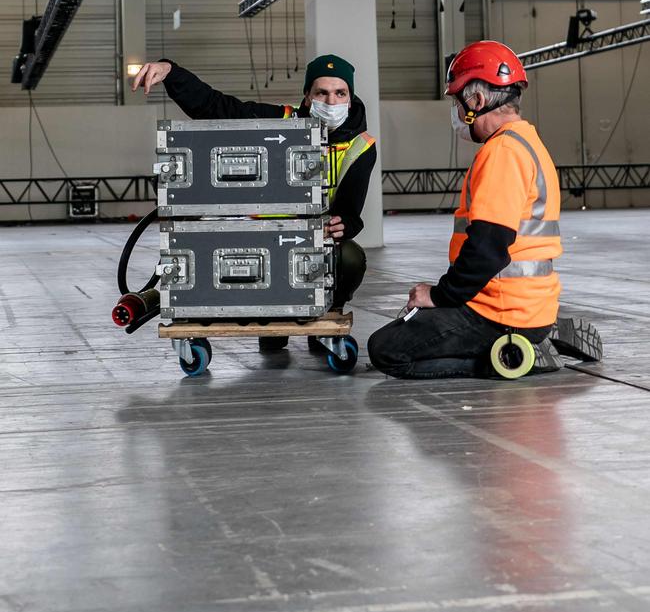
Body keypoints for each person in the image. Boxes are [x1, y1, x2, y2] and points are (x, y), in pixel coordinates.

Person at [367, 40, 602, 379]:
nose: (458, 114)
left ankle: (511, 357)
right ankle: (538, 337)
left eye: (458, 102)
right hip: (529, 307)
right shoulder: (528, 142)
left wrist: (439, 294)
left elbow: (487, 249)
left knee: (387, 350)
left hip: (498, 312)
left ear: (476, 101)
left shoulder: (502, 153)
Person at [133, 54, 377, 350]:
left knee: (350, 257)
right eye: (321, 92)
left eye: (340, 93)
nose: (331, 101)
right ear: (307, 96)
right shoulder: (282, 122)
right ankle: (271, 313)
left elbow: (350, 209)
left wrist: (345, 224)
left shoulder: (361, 147)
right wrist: (171, 72)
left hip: (314, 244)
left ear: (351, 99)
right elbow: (216, 108)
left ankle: (326, 309)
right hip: (268, 237)